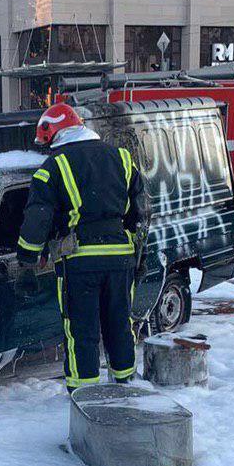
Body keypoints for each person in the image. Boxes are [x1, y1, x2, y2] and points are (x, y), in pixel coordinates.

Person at [17, 102, 149, 390]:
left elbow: (37, 218)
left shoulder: (54, 166)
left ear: (57, 134)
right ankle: (125, 382)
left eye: (48, 141)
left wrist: (27, 262)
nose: (48, 148)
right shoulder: (122, 158)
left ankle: (83, 392)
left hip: (80, 260)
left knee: (81, 329)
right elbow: (141, 212)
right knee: (119, 323)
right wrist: (141, 255)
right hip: (121, 258)